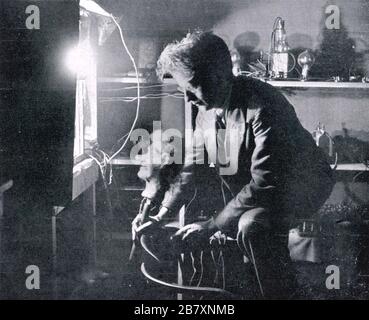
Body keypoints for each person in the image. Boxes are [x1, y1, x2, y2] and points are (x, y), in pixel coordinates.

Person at [132, 31, 335, 299]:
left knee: (252, 225)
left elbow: (265, 181)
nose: (189, 99)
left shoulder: (263, 106)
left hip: (301, 186)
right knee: (233, 225)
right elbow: (192, 167)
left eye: (192, 88)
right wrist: (161, 215)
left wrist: (213, 225)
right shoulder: (204, 108)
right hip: (262, 185)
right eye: (184, 91)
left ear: (219, 75)